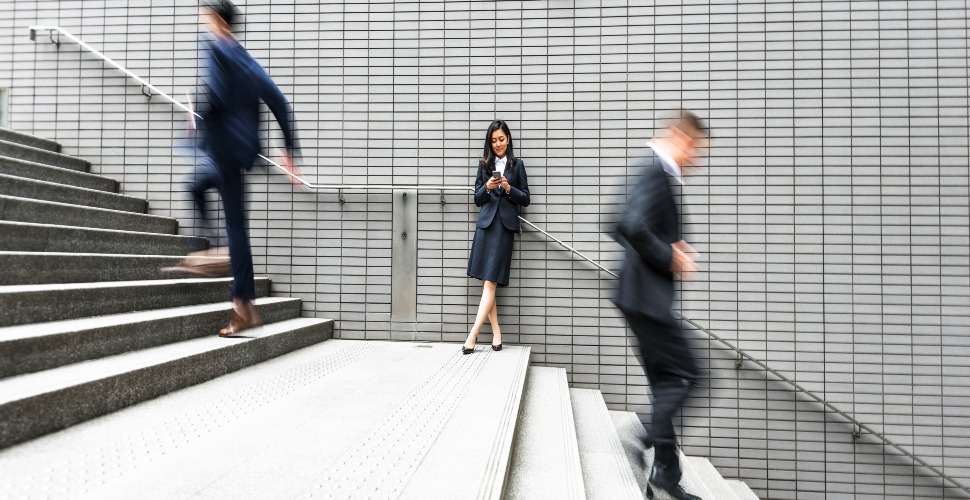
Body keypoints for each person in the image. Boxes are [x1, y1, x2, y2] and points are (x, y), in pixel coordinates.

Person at [188, 0, 302, 337]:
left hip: (224, 149)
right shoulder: (245, 58)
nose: (204, 23)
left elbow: (215, 95)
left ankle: (212, 249)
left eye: (207, 17)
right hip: (241, 151)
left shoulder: (216, 50)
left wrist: (197, 116)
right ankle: (244, 304)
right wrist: (290, 150)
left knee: (199, 191)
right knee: (234, 221)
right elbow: (278, 100)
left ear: (219, 21)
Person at [614, 111, 707, 500]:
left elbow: (618, 223)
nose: (696, 159)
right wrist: (671, 257)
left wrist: (665, 249)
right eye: (695, 148)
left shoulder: (652, 170)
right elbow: (630, 224)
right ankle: (646, 431)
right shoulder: (656, 170)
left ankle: (665, 475)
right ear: (680, 138)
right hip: (646, 303)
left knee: (666, 383)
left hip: (638, 299)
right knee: (695, 375)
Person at [462, 120, 530, 354]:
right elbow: (477, 198)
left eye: (501, 139)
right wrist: (489, 187)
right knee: (487, 283)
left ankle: (473, 335)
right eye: (494, 140)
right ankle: (497, 333)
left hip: (504, 228)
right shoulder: (484, 165)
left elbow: (526, 198)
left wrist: (509, 188)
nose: (498, 143)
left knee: (490, 282)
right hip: (485, 226)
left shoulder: (517, 165)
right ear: (489, 143)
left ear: (508, 139)